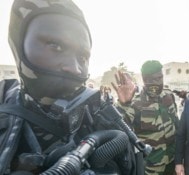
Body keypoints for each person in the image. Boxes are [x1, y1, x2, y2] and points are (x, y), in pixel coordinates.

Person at [0, 0, 139, 174]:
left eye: (82, 57)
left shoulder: (97, 114)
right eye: (55, 46)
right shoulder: (4, 104)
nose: (74, 68)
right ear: (20, 45)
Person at [113, 60, 179, 175]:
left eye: (160, 78)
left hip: (172, 163)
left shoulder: (169, 96)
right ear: (144, 80)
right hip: (150, 168)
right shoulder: (134, 103)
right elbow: (118, 130)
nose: (158, 83)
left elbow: (177, 125)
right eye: (153, 80)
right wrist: (123, 104)